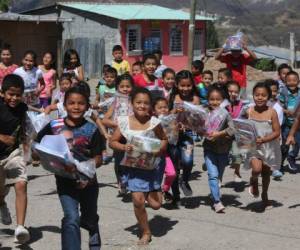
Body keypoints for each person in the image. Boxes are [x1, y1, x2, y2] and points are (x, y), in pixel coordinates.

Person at [36, 85, 106, 250]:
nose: (76, 107)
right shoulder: (54, 126)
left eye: (81, 103)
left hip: (88, 182)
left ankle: (92, 229)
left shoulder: (92, 129)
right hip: (64, 181)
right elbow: (38, 145)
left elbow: (99, 158)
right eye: (71, 103)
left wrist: (85, 168)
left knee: (88, 217)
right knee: (71, 217)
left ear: (87, 106)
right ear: (64, 105)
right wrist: (38, 155)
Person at [109, 87, 168, 245]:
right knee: (138, 200)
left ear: (151, 105)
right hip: (134, 168)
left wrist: (159, 148)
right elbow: (112, 142)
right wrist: (123, 147)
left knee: (156, 205)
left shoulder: (154, 123)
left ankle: (154, 189)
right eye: (138, 102)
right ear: (131, 103)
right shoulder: (124, 122)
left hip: (153, 166)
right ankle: (146, 231)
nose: (142, 106)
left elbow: (164, 139)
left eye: (146, 103)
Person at [0, 74, 30, 244]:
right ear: (2, 93)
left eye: (18, 94)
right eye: (10, 94)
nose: (14, 98)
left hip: (12, 154)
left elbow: (25, 130)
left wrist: (29, 149)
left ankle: (20, 227)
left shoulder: (22, 108)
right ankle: (2, 204)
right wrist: (1, 137)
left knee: (21, 183)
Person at [244, 82, 281, 209]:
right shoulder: (248, 111)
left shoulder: (272, 112)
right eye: (257, 95)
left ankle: (265, 195)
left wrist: (264, 140)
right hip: (254, 147)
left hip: (269, 147)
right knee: (257, 169)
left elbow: (277, 132)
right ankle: (253, 180)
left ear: (269, 97)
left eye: (263, 95)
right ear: (253, 96)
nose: (260, 97)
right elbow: (239, 125)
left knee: (266, 173)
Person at [203, 85, 235, 213]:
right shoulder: (204, 112)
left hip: (223, 150)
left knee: (219, 175)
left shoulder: (225, 114)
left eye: (218, 99)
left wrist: (219, 133)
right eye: (212, 99)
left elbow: (233, 129)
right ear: (208, 99)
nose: (215, 102)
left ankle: (214, 191)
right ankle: (217, 201)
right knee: (213, 175)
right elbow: (198, 126)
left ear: (223, 100)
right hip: (209, 149)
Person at [169, 70, 200, 200]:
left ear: (192, 85)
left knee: (188, 161)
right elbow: (166, 115)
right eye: (182, 85)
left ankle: (185, 180)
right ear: (176, 84)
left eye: (188, 85)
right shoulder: (172, 97)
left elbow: (198, 119)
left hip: (187, 134)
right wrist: (175, 111)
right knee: (174, 165)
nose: (185, 89)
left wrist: (189, 122)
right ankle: (175, 194)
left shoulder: (195, 99)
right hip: (173, 135)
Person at [102, 73, 134, 195]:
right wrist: (117, 125)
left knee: (132, 160)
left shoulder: (136, 100)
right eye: (122, 86)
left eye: (128, 86)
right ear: (117, 88)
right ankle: (120, 182)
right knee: (119, 161)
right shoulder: (116, 101)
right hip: (118, 137)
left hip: (132, 136)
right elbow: (105, 119)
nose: (125, 89)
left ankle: (130, 181)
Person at [153, 97, 177, 203]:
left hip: (165, 153)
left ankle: (164, 190)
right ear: (154, 110)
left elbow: (173, 139)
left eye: (165, 107)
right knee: (154, 176)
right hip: (154, 154)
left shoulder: (171, 120)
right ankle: (151, 193)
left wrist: (175, 128)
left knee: (172, 173)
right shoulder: (152, 121)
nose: (163, 109)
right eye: (160, 108)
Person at [279, 71, 300, 172]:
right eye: (289, 81)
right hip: (287, 124)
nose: (292, 82)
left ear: (298, 81)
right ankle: (280, 163)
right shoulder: (284, 92)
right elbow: (280, 106)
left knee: (297, 144)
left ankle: (291, 157)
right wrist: (286, 111)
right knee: (285, 145)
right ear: (285, 82)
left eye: (294, 80)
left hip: (298, 125)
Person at [264, 79, 284, 179]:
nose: (273, 93)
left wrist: (278, 133)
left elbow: (280, 120)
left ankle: (275, 170)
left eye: (275, 91)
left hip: (275, 131)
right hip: (263, 132)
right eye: (271, 90)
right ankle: (264, 167)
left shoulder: (278, 105)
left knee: (275, 150)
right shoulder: (262, 104)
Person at [226, 81, 244, 182]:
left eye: (236, 92)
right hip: (225, 134)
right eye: (230, 91)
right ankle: (218, 178)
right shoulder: (222, 103)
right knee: (222, 158)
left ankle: (237, 172)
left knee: (238, 155)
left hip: (237, 134)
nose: (233, 94)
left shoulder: (242, 104)